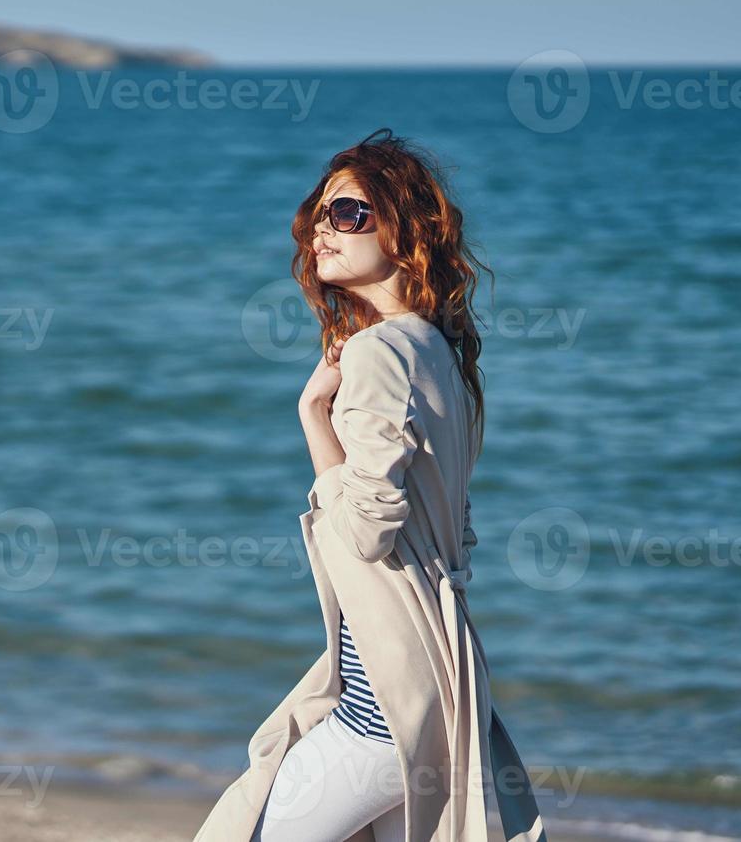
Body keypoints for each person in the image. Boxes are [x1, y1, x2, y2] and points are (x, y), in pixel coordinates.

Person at [195, 129, 547, 842]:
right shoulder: (441, 351)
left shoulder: (379, 353)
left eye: (350, 214)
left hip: (380, 711)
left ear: (405, 227)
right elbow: (453, 528)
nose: (325, 231)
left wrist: (310, 413)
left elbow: (364, 532)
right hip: (440, 689)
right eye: (317, 216)